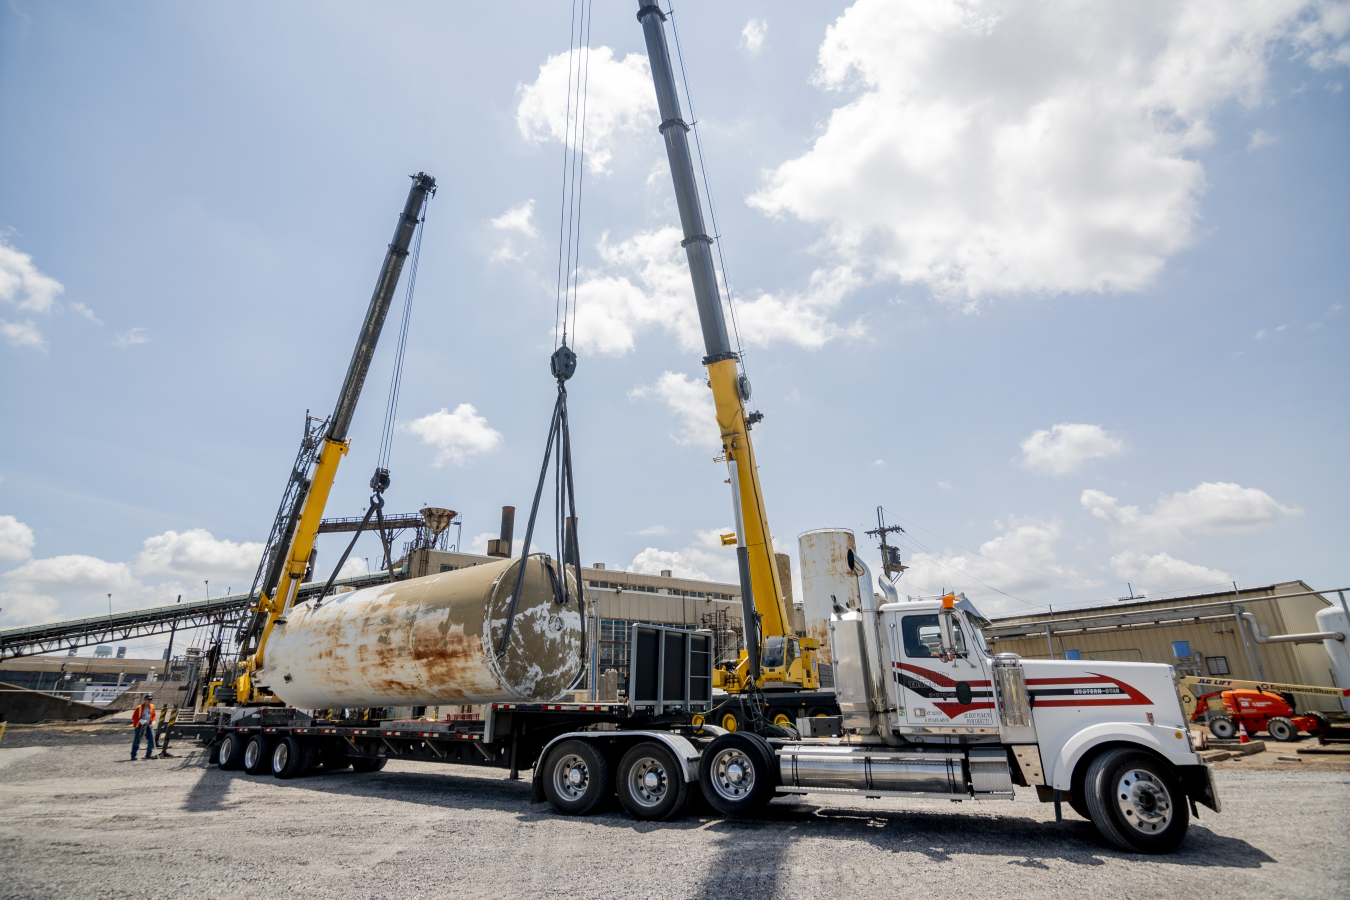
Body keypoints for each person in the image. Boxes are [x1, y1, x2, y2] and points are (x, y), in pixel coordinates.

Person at [130, 694, 157, 760]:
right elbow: (134, 717)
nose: (150, 701)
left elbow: (153, 715)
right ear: (145, 700)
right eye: (148, 699)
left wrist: (153, 721)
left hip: (148, 724)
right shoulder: (139, 708)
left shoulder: (152, 707)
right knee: (137, 740)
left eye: (151, 699)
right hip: (140, 725)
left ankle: (148, 754)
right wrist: (140, 720)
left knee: (152, 738)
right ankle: (133, 755)